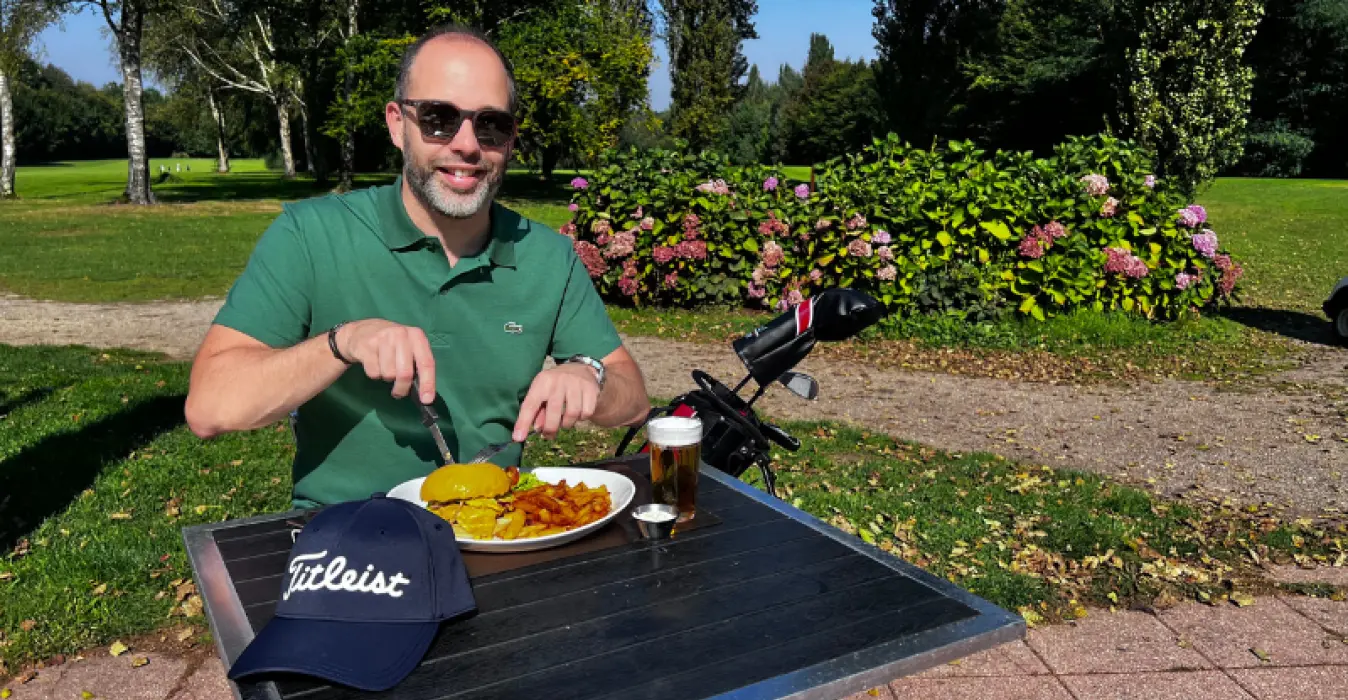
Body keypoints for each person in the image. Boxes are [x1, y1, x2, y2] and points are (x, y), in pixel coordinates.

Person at [184, 26, 651, 508]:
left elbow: (634, 400)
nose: (467, 145)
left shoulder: (546, 255)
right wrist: (342, 342)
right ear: (397, 124)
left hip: (497, 527)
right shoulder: (312, 234)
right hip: (346, 530)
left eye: (490, 124)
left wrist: (590, 376)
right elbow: (210, 407)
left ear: (511, 139)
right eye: (438, 118)